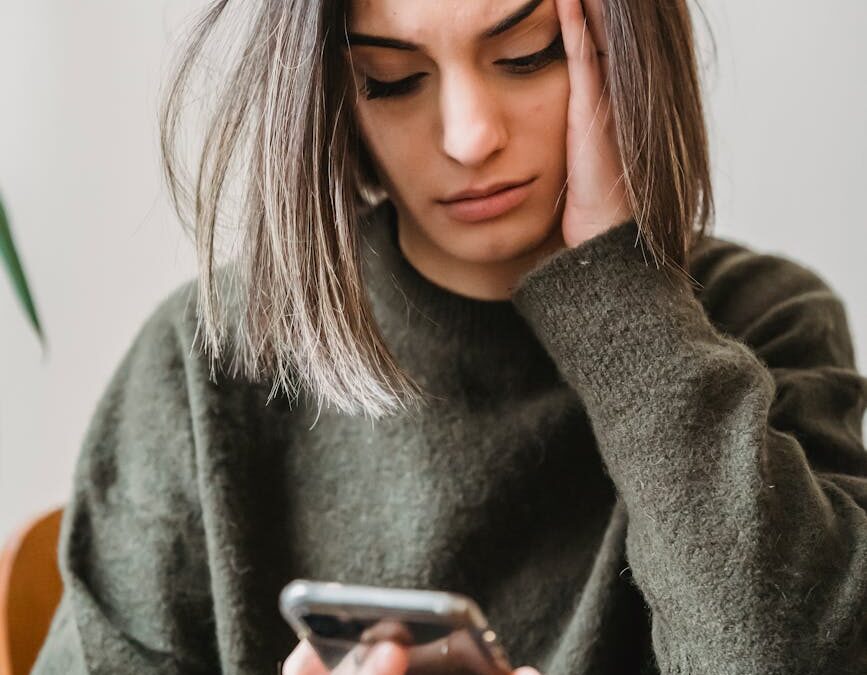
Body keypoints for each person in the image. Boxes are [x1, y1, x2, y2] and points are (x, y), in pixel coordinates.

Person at [33, 0, 867, 673]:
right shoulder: (208, 357)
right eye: (390, 80)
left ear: (626, 42)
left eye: (527, 52)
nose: (469, 137)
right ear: (330, 92)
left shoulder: (767, 321)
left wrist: (622, 296)